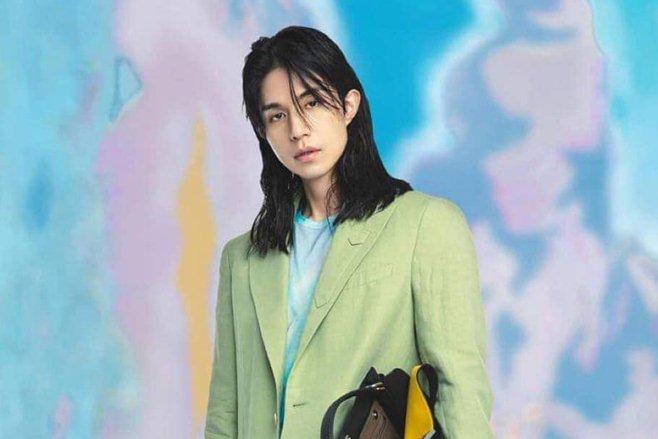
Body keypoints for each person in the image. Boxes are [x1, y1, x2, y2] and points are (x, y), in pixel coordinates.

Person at [204, 25, 493, 438]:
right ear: (263, 131)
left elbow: (459, 387)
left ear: (348, 105)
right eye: (277, 115)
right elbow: (225, 413)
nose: (297, 130)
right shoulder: (242, 258)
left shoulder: (426, 225)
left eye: (312, 102)